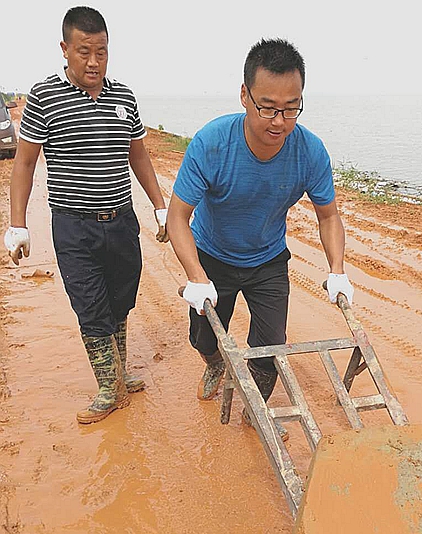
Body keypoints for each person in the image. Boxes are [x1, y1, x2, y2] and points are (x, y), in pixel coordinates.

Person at [167, 38, 354, 440]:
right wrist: (196, 276)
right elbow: (178, 218)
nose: (278, 121)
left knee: (271, 346)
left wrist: (337, 269)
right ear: (244, 95)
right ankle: (214, 361)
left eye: (291, 108)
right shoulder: (213, 143)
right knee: (202, 335)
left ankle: (257, 409)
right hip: (212, 256)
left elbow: (329, 215)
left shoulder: (310, 151)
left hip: (268, 260)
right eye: (267, 106)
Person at [3, 6, 169, 425]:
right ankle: (109, 387)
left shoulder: (124, 97)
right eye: (84, 52)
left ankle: (119, 372)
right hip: (74, 225)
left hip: (121, 220)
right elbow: (24, 164)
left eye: (101, 52)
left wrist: (160, 205)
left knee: (120, 301)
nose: (93, 62)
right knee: (90, 304)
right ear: (65, 49)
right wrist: (17, 224)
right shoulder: (44, 97)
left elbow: (138, 155)